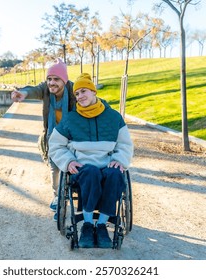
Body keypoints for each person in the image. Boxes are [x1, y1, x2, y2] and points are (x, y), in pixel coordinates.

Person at [48, 73, 134, 248]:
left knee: (116, 174)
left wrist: (119, 159)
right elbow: (55, 145)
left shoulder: (113, 117)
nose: (80, 96)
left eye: (84, 91)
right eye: (77, 93)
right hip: (82, 168)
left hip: (107, 164)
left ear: (94, 92)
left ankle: (101, 225)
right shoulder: (70, 119)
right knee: (91, 172)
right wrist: (68, 162)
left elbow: (125, 144)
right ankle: (87, 225)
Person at [11, 58, 76, 220]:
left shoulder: (74, 90)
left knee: (74, 168)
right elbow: (34, 90)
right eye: (49, 79)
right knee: (54, 169)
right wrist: (23, 93)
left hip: (74, 136)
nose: (51, 83)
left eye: (56, 79)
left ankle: (72, 192)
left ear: (64, 80)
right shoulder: (46, 90)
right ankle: (58, 196)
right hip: (53, 137)